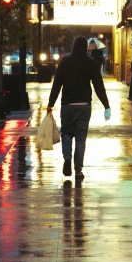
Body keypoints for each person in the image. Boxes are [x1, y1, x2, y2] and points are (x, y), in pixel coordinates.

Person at [47, 35, 111, 179]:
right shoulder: (91, 63)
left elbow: (57, 84)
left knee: (67, 133)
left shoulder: (65, 62)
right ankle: (78, 170)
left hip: (67, 105)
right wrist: (106, 105)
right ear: (85, 48)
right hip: (84, 106)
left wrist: (51, 103)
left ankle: (67, 159)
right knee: (81, 139)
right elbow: (98, 85)